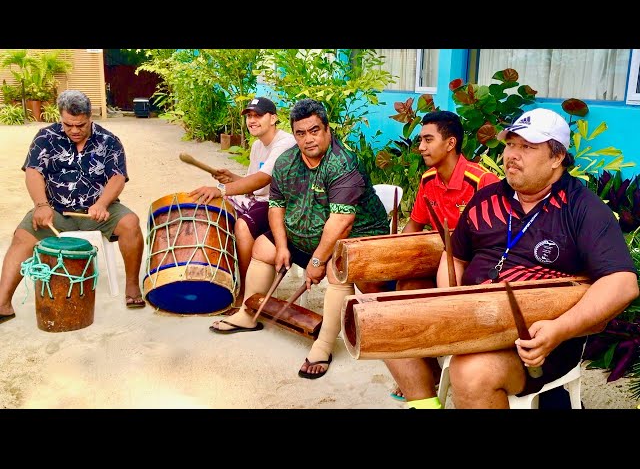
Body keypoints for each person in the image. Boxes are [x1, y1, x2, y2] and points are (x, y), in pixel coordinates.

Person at [405, 107, 639, 408]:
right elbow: (456, 258)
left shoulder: (583, 209)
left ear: (557, 158)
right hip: (476, 321)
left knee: (471, 373)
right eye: (511, 144)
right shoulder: (485, 199)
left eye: (527, 147)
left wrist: (559, 329)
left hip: (542, 341)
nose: (512, 155)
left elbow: (622, 284)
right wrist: (452, 304)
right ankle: (423, 401)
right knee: (386, 324)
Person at [209, 98, 390, 379]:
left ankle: (324, 344)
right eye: (301, 133)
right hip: (303, 235)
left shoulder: (344, 163)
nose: (308, 139)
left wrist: (317, 261)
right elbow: (276, 206)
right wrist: (282, 246)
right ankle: (248, 314)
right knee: (263, 247)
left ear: (327, 129)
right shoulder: (286, 161)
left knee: (335, 269)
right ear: (293, 134)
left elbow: (341, 222)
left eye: (315, 130)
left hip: (354, 238)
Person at [0, 89, 146, 325]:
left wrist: (102, 203)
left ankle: (132, 287)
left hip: (97, 210)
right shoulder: (45, 137)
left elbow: (117, 177)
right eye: (69, 125)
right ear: (61, 117)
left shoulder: (109, 141)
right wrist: (40, 205)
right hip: (54, 210)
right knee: (22, 236)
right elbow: (33, 172)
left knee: (131, 223)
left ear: (90, 117)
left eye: (81, 125)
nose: (75, 130)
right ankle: (2, 304)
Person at [384, 110, 500, 402]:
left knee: (442, 304)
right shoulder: (428, 179)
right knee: (405, 290)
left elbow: (499, 240)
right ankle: (426, 375)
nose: (420, 146)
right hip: (442, 263)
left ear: (450, 144)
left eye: (427, 139)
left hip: (479, 271)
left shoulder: (482, 181)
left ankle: (460, 371)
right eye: (420, 140)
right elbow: (414, 226)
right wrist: (393, 257)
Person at [188, 97, 295, 309]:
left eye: (258, 115)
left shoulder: (285, 142)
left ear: (273, 118)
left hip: (281, 204)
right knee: (214, 208)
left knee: (242, 226)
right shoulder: (257, 145)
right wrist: (232, 178)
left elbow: (264, 179)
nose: (252, 120)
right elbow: (252, 184)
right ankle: (215, 276)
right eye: (249, 116)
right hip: (260, 200)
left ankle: (246, 290)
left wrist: (221, 189)